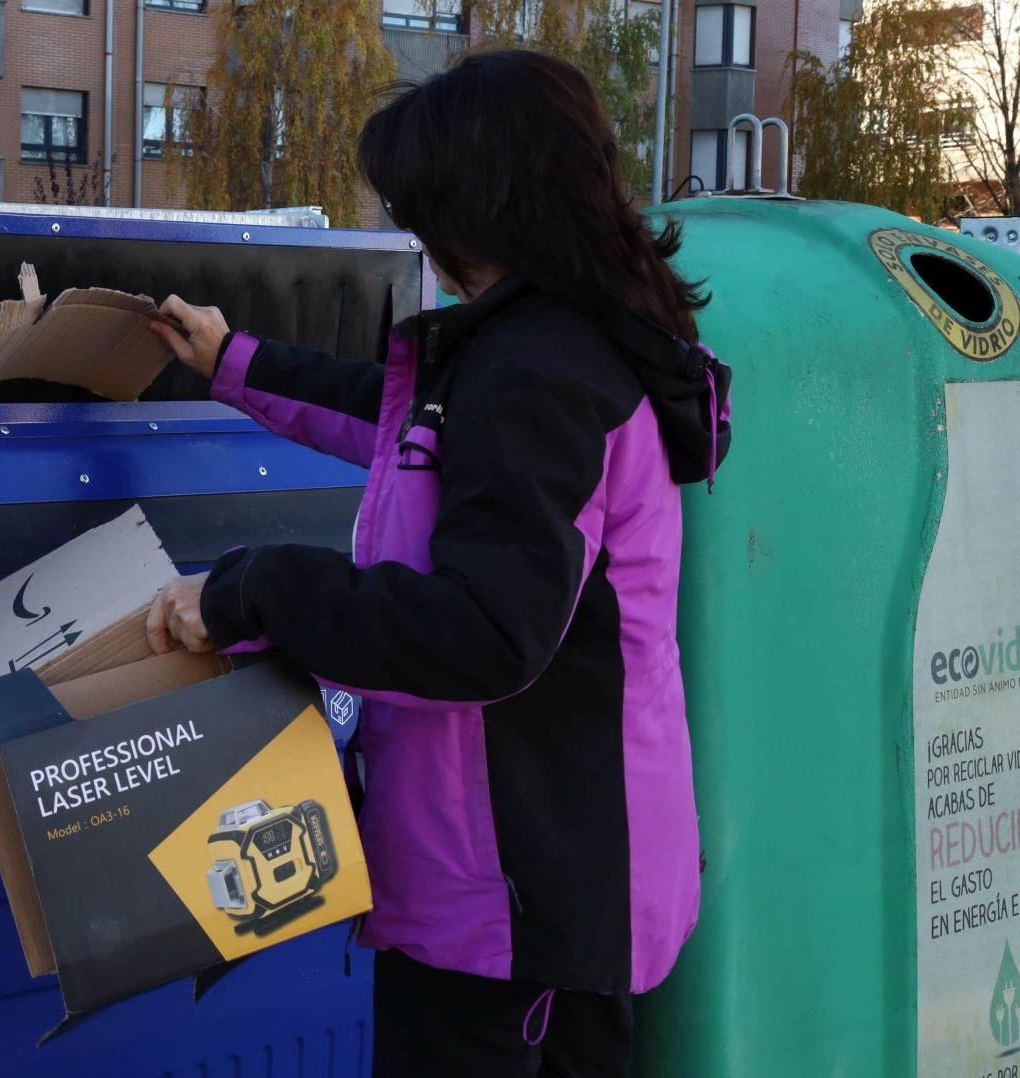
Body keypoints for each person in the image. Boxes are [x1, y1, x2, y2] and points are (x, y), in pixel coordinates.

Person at [143, 50, 732, 1077]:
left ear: (483, 200)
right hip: (533, 873)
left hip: (515, 902)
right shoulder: (555, 342)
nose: (415, 228)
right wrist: (232, 360)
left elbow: (484, 632)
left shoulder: (539, 373)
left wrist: (250, 588)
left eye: (421, 203)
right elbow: (408, 426)